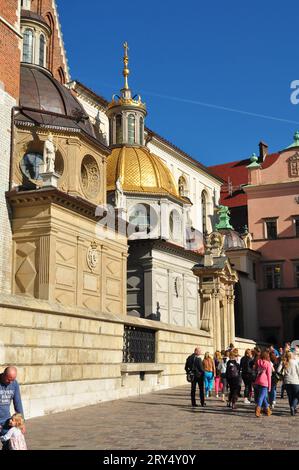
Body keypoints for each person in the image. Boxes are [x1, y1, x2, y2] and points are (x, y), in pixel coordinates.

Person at [0, 367, 25, 450]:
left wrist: (22, 422)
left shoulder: (14, 384)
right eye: (8, 379)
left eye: (12, 380)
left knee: (9, 445)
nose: (10, 382)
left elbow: (18, 403)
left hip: (6, 421)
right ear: (3, 375)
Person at [277, 351, 299, 416]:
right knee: (297, 396)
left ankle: (292, 408)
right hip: (295, 381)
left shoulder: (283, 361)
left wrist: (283, 374)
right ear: (291, 355)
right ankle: (293, 406)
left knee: (290, 396)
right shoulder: (294, 362)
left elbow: (278, 370)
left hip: (286, 381)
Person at [254, 350, 272, 417]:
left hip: (258, 380)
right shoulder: (268, 363)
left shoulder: (258, 362)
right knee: (261, 397)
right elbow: (269, 375)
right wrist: (269, 386)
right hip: (264, 381)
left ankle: (268, 410)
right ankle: (258, 410)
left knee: (263, 396)